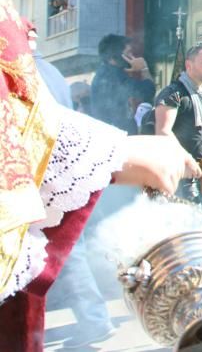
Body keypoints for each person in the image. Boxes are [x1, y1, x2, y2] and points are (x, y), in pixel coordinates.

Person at [0, 0, 200, 352]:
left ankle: (98, 314)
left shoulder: (44, 72)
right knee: (75, 252)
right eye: (126, 52)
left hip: (74, 176)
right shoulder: (100, 77)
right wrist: (117, 152)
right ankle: (97, 315)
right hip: (69, 180)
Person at [24, 24, 116, 348]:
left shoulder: (24, 69)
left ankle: (92, 319)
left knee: (56, 253)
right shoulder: (50, 70)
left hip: (36, 174)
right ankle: (93, 319)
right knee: (62, 251)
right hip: (61, 170)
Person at [153, 42, 202, 212]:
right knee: (186, 230)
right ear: (189, 65)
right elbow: (163, 132)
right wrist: (188, 161)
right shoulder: (173, 93)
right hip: (181, 176)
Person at [89, 34, 156, 134]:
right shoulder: (114, 75)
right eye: (128, 52)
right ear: (113, 56)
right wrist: (144, 68)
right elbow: (147, 91)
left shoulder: (105, 73)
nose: (132, 56)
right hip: (115, 136)